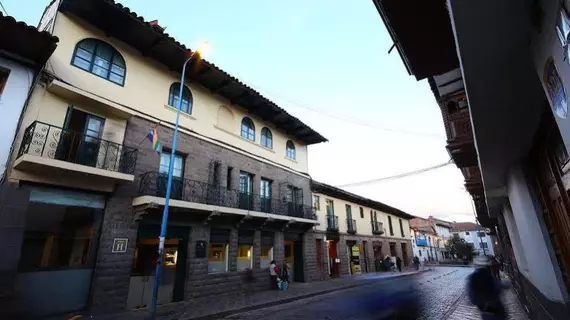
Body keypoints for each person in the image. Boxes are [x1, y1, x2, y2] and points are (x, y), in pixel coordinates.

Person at [468, 255, 506, 320]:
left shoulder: (472, 277)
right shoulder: (488, 274)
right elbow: (498, 288)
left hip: (485, 309)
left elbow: (471, 296)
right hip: (496, 307)